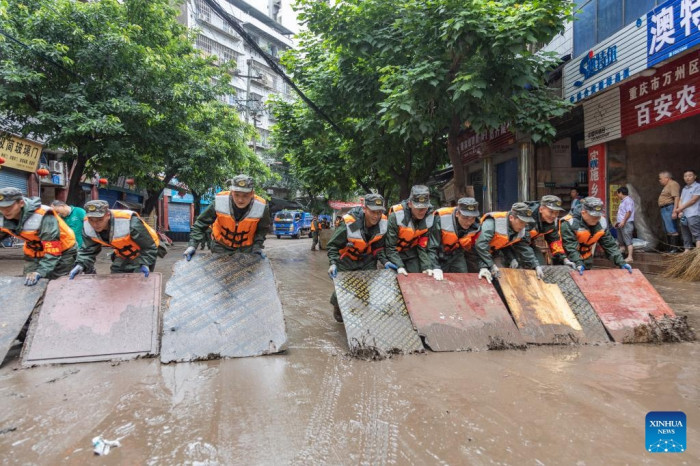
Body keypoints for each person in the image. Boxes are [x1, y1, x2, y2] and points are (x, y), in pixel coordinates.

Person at [326, 194, 388, 322]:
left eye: (379, 212)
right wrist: (333, 263)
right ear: (364, 209)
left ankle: (361, 315)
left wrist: (385, 261)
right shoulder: (351, 223)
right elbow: (333, 245)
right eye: (373, 212)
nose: (376, 216)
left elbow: (379, 247)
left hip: (367, 259)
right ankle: (337, 305)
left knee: (366, 289)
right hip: (347, 259)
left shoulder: (382, 223)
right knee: (343, 290)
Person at [0, 187, 77, 285]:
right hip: (35, 251)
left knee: (56, 283)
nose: (5, 211)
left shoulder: (43, 215)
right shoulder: (3, 216)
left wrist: (40, 272)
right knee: (28, 282)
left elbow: (53, 250)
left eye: (9, 207)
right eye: (1, 208)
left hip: (63, 250)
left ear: (21, 203)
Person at [184, 175, 270, 260]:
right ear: (231, 192)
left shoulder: (261, 207)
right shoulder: (220, 201)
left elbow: (262, 230)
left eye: (245, 195)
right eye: (236, 195)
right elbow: (201, 223)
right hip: (220, 246)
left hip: (246, 249)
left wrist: (257, 246)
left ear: (252, 193)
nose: (240, 200)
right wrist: (192, 245)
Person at [70, 200, 162, 278]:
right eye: (91, 220)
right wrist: (80, 264)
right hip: (123, 252)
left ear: (108, 215)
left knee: (138, 280)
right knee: (116, 277)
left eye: (99, 220)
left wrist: (145, 263)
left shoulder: (128, 222)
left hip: (145, 250)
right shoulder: (87, 226)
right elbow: (87, 250)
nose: (95, 224)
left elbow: (149, 247)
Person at [559, 196, 632, 275]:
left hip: (587, 261)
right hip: (568, 262)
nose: (597, 219)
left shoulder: (601, 222)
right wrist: (578, 263)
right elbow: (570, 247)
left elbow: (610, 245)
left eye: (598, 216)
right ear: (583, 212)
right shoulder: (569, 223)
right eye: (593, 216)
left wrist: (621, 262)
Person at [475, 202, 544, 284]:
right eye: (521, 222)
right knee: (477, 278)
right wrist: (488, 265)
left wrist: (536, 266)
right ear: (511, 218)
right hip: (473, 252)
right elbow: (480, 245)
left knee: (500, 276)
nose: (523, 226)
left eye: (526, 223)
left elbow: (524, 248)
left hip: (492, 252)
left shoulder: (521, 229)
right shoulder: (493, 222)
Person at [503, 195, 575, 269]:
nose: (553, 216)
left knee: (541, 266)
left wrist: (564, 259)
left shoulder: (553, 222)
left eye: (556, 213)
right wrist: (535, 265)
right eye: (551, 212)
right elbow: (522, 244)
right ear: (541, 209)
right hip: (508, 245)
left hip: (528, 244)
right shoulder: (527, 217)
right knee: (519, 266)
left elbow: (554, 241)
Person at [385, 185, 435, 275]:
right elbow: (390, 247)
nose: (422, 211)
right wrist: (400, 266)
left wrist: (427, 266)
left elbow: (422, 245)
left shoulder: (429, 217)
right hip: (394, 253)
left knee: (418, 276)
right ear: (410, 204)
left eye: (425, 207)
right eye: (418, 208)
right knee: (396, 277)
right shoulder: (396, 216)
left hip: (412, 252)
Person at [428, 197, 481, 277]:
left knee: (463, 278)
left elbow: (476, 249)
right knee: (436, 280)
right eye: (465, 217)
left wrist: (484, 267)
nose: (468, 222)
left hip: (457, 254)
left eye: (472, 218)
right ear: (457, 214)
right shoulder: (441, 219)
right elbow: (431, 247)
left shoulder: (476, 226)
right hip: (438, 255)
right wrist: (435, 267)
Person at [658, 171, 682, 253]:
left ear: (667, 178)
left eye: (660, 179)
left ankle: (675, 248)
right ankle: (670, 248)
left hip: (669, 208)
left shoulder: (673, 184)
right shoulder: (667, 186)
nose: (659, 180)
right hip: (664, 209)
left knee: (672, 229)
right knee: (667, 229)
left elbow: (676, 197)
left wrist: (675, 211)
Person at [676, 169, 700, 251]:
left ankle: (698, 255)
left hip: (694, 214)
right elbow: (681, 200)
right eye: (685, 176)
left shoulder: (698, 186)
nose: (687, 178)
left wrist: (680, 208)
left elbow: (693, 200)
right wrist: (680, 211)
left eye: (690, 175)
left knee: (697, 234)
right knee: (685, 235)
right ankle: (687, 253)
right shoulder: (684, 188)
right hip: (684, 215)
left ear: (695, 176)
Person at [614, 187, 635, 262]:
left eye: (618, 193)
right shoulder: (623, 201)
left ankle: (630, 257)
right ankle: (621, 256)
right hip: (621, 223)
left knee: (628, 240)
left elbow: (628, 212)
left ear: (621, 193)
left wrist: (623, 221)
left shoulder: (628, 201)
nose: (617, 195)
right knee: (621, 241)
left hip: (626, 223)